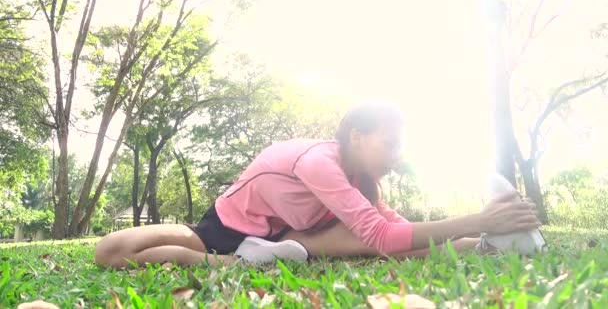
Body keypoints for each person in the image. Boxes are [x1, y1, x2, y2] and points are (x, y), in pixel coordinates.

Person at [94, 101, 540, 269]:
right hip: (225, 228)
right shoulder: (320, 161)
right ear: (356, 137)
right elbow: (384, 234)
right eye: (389, 144)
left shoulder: (362, 179)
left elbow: (396, 234)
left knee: (384, 244)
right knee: (109, 251)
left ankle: (495, 246)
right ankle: (235, 264)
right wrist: (480, 216)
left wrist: (483, 230)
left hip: (292, 237)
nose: (396, 155)